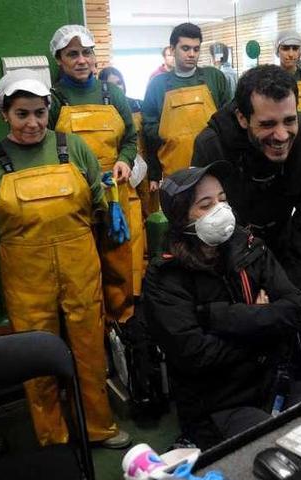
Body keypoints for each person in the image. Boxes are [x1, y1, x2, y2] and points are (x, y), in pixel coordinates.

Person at [0, 70, 130, 450]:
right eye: (22, 114)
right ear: (4, 115)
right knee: (35, 355)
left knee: (90, 348)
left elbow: (96, 201)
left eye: (40, 113)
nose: (33, 123)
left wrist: (113, 210)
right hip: (25, 275)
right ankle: (53, 437)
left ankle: (98, 426)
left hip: (80, 265)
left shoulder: (73, 147)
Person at [144, 163, 301, 448]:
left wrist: (220, 317)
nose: (220, 211)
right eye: (205, 205)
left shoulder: (249, 247)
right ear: (181, 217)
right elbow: (194, 353)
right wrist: (264, 327)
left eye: (222, 199)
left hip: (271, 380)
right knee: (272, 447)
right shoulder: (165, 277)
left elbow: (295, 308)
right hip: (216, 403)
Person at [191, 64, 301, 389]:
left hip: (282, 244)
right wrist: (250, 290)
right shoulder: (212, 145)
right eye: (267, 124)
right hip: (229, 250)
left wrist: (293, 290)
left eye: (289, 120)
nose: (281, 135)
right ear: (243, 118)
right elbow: (210, 222)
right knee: (245, 355)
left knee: (299, 331)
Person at [47, 25, 142, 324]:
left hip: (114, 192)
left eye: (86, 52)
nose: (81, 60)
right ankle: (90, 329)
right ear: (59, 59)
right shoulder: (53, 100)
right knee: (82, 267)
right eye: (72, 54)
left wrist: (125, 161)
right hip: (75, 197)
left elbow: (130, 137)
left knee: (118, 262)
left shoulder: (111, 93)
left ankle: (122, 321)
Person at [141, 22, 232, 193]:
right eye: (185, 48)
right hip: (174, 169)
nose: (191, 54)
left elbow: (229, 117)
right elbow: (148, 127)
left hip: (213, 164)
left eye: (196, 49)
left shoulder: (214, 77)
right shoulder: (158, 85)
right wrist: (170, 137)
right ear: (172, 49)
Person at [99, 66, 160, 218]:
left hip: (146, 173)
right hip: (120, 173)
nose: (117, 88)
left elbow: (152, 144)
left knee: (151, 216)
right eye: (111, 85)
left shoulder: (139, 105)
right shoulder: (99, 112)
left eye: (119, 83)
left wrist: (154, 176)